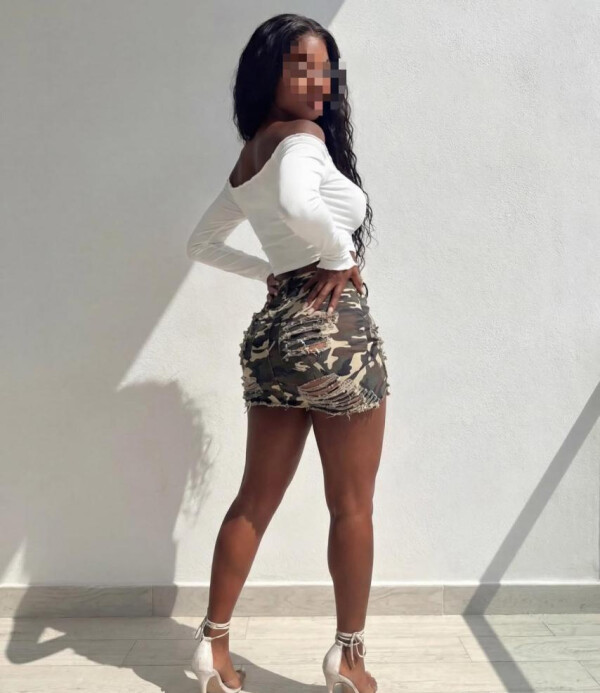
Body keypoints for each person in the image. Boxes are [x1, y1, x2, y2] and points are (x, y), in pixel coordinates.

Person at [186, 13, 389, 693]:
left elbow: (200, 244)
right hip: (333, 335)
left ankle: (213, 646)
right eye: (302, 66)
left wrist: (269, 273)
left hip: (273, 338)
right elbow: (304, 205)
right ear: (266, 72)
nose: (318, 82)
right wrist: (338, 254)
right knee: (352, 505)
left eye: (325, 67)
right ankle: (348, 658)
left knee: (253, 500)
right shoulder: (303, 138)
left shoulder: (252, 153)